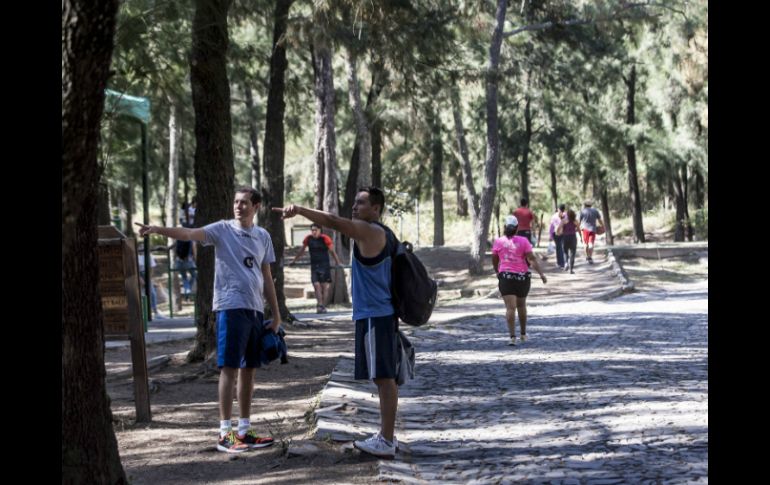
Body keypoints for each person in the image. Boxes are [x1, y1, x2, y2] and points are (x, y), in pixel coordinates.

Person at [136, 187, 280, 454]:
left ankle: (244, 430)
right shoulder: (222, 230)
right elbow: (189, 233)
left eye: (245, 202)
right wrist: (157, 229)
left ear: (256, 206)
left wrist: (276, 313)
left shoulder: (262, 236)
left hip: (255, 309)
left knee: (250, 370)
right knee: (229, 368)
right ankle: (225, 433)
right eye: (236, 201)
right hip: (230, 307)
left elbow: (267, 275)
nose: (239, 206)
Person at [274, 187, 400, 459]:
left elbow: (332, 221)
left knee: (384, 377)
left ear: (376, 208)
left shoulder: (372, 231)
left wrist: (299, 209)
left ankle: (387, 440)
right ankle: (386, 435)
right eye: (354, 202)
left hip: (377, 315)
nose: (354, 207)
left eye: (361, 202)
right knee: (382, 377)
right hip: (373, 314)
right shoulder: (380, 233)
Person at [491, 215, 547, 346]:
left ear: (505, 227)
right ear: (517, 229)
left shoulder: (498, 242)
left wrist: (497, 271)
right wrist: (541, 274)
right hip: (522, 278)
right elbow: (532, 259)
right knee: (521, 305)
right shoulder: (524, 241)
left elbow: (494, 259)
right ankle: (523, 334)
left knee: (510, 308)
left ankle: (512, 337)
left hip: (506, 277)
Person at [288, 223, 342, 313]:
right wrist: (294, 261)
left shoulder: (325, 238)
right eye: (312, 230)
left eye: (315, 230)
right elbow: (301, 251)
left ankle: (323, 306)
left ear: (320, 230)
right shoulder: (308, 239)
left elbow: (332, 252)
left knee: (325, 288)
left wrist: (338, 262)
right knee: (316, 286)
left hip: (324, 266)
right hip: (314, 266)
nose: (314, 232)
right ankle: (319, 305)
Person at [137, 249, 165, 319]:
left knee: (152, 293)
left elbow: (151, 269)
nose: (142, 251)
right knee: (140, 294)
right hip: (138, 275)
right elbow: (135, 269)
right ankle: (141, 313)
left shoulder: (149, 257)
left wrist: (148, 279)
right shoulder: (136, 256)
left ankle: (155, 312)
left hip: (146, 275)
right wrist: (139, 279)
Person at [175, 219, 197, 301]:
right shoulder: (191, 238)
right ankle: (189, 290)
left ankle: (187, 290)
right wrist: (195, 259)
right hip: (189, 261)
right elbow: (194, 250)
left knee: (184, 278)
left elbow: (175, 248)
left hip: (179, 262)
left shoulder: (178, 238)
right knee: (194, 275)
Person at [579, 199, 604, 264]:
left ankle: (587, 256)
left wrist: (578, 228)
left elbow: (579, 221)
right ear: (591, 204)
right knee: (591, 243)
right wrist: (602, 226)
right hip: (593, 229)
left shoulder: (582, 211)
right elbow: (599, 220)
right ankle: (590, 256)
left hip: (584, 229)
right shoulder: (595, 211)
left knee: (585, 244)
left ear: (585, 204)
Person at [557, 209, 582, 274]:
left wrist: (558, 233)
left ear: (567, 214)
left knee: (565, 252)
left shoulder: (564, 220)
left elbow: (559, 228)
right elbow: (579, 230)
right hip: (573, 238)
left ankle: (566, 263)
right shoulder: (575, 221)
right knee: (572, 253)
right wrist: (581, 237)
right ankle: (571, 269)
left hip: (565, 237)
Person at [548, 204, 567, 269]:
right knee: (563, 248)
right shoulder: (566, 215)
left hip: (556, 233)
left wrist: (550, 236)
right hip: (564, 233)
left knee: (559, 248)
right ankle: (563, 262)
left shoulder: (554, 216)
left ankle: (561, 263)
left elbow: (551, 227)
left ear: (558, 209)